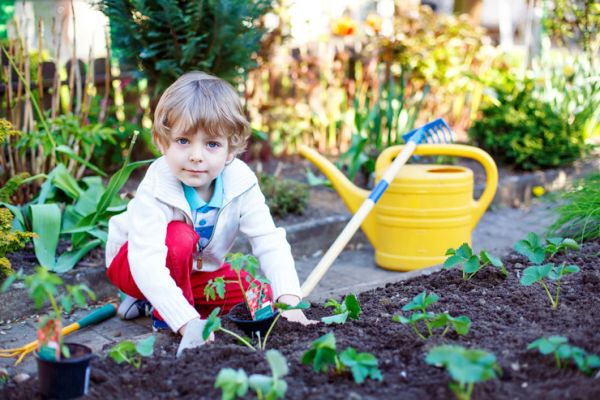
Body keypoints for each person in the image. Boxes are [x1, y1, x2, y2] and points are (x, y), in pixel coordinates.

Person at [105, 71, 314, 357]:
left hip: (197, 272)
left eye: (212, 144)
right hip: (133, 265)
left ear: (231, 150)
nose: (196, 155)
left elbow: (269, 240)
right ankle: (163, 315)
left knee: (260, 300)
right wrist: (188, 323)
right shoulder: (157, 187)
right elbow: (146, 262)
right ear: (162, 141)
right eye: (183, 141)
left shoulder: (240, 182)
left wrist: (289, 303)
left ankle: (176, 301)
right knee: (178, 237)